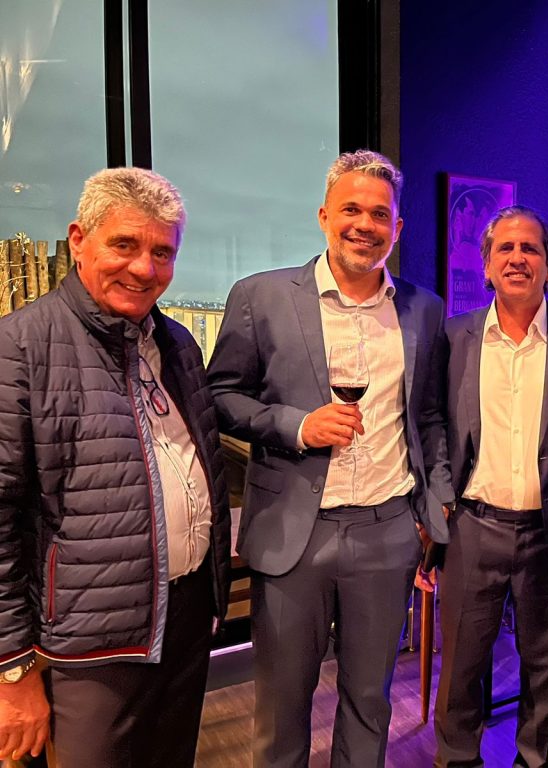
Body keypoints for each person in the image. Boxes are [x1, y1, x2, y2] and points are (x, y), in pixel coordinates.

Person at [206, 149, 451, 768]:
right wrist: (297, 426)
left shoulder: (424, 309)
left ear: (397, 227)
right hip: (295, 533)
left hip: (388, 532)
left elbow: (426, 416)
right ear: (324, 216)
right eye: (351, 210)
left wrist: (433, 510)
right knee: (282, 707)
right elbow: (220, 398)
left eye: (379, 214)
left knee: (370, 702)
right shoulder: (261, 296)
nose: (364, 224)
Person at [0, 167, 231, 767]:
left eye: (162, 252)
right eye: (124, 244)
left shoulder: (177, 344)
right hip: (86, 646)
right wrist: (12, 670)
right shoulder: (19, 348)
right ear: (79, 240)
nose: (144, 268)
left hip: (181, 619)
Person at [431, 205, 548, 767]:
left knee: (544, 674)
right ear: (486, 266)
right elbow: (432, 424)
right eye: (504, 248)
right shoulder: (453, 336)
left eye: (530, 248)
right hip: (471, 527)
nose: (517, 258)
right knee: (460, 673)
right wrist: (436, 508)